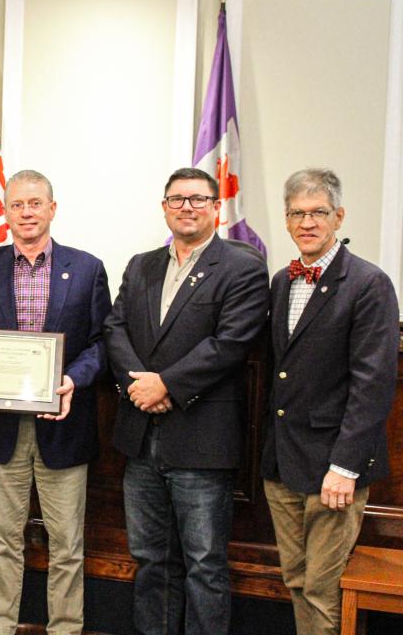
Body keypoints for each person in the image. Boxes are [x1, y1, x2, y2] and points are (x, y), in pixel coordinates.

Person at [103, 168, 269, 635]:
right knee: (151, 559)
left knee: (204, 565)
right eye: (177, 199)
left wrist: (166, 386)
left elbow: (231, 343)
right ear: (164, 208)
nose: (187, 207)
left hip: (201, 441)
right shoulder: (142, 265)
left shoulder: (242, 266)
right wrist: (141, 384)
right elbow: (115, 328)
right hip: (140, 439)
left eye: (198, 199)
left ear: (217, 207)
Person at [0, 170, 111, 634]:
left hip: (62, 421)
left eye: (35, 203)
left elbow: (103, 342)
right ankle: (0, 628)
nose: (27, 212)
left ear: (52, 208)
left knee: (67, 543)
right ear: (5, 212)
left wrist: (71, 379)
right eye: (18, 204)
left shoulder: (87, 268)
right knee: (3, 540)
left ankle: (65, 629)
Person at [261, 168, 399, 635]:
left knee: (322, 591)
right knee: (296, 580)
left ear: (338, 216)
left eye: (318, 212)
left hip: (332, 470)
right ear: (286, 221)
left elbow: (373, 384)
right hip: (283, 464)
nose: (308, 222)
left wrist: (345, 467)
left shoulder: (368, 283)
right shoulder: (282, 280)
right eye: (297, 213)